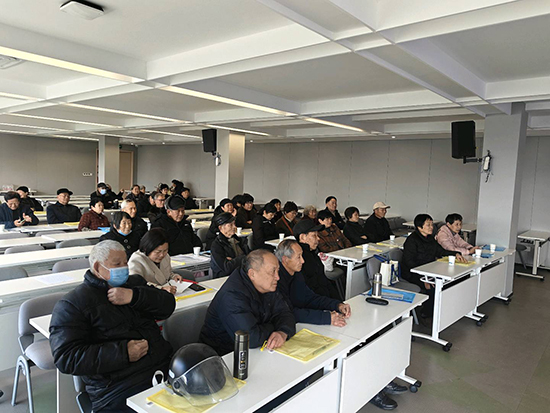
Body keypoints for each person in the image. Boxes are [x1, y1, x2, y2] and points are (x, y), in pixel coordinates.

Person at [49, 240, 175, 413]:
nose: (124, 268)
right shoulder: (73, 304)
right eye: (117, 264)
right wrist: (123, 353)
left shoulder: (134, 284)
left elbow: (167, 306)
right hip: (118, 388)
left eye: (125, 262)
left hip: (163, 368)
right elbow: (66, 357)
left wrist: (134, 296)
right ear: (97, 267)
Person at [199, 250, 296, 356]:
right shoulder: (232, 295)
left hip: (253, 352)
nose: (278, 277)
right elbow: (250, 338)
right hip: (221, 355)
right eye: (272, 271)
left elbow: (286, 313)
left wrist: (282, 332)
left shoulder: (267, 286)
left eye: (278, 270)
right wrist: (275, 326)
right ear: (252, 274)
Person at [402, 214, 466, 318]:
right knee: (433, 287)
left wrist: (455, 254)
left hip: (429, 270)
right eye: (428, 225)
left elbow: (441, 251)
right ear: (419, 227)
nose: (431, 227)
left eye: (432, 224)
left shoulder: (430, 239)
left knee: (450, 281)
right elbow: (409, 263)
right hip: (413, 273)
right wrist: (423, 278)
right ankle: (427, 313)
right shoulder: (412, 240)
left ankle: (443, 309)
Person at [275, 239, 350, 325]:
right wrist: (326, 318)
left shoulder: (297, 273)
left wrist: (337, 305)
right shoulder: (275, 279)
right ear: (285, 259)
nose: (303, 261)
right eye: (298, 257)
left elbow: (310, 298)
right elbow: (287, 312)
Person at [128, 228, 187, 294]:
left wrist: (174, 276)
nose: (162, 255)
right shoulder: (136, 261)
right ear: (146, 249)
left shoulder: (165, 256)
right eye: (158, 252)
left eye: (165, 250)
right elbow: (137, 285)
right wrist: (161, 288)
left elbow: (167, 274)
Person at [293, 219, 339, 299]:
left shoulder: (313, 254)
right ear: (303, 237)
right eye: (314, 235)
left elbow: (324, 281)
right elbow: (309, 291)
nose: (318, 238)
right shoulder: (299, 260)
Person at [210, 212, 250, 278]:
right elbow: (227, 268)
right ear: (221, 228)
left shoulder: (239, 240)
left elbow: (250, 257)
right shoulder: (217, 245)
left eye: (234, 224)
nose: (234, 227)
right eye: (230, 225)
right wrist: (243, 258)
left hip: (242, 274)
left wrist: (233, 261)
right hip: (226, 277)